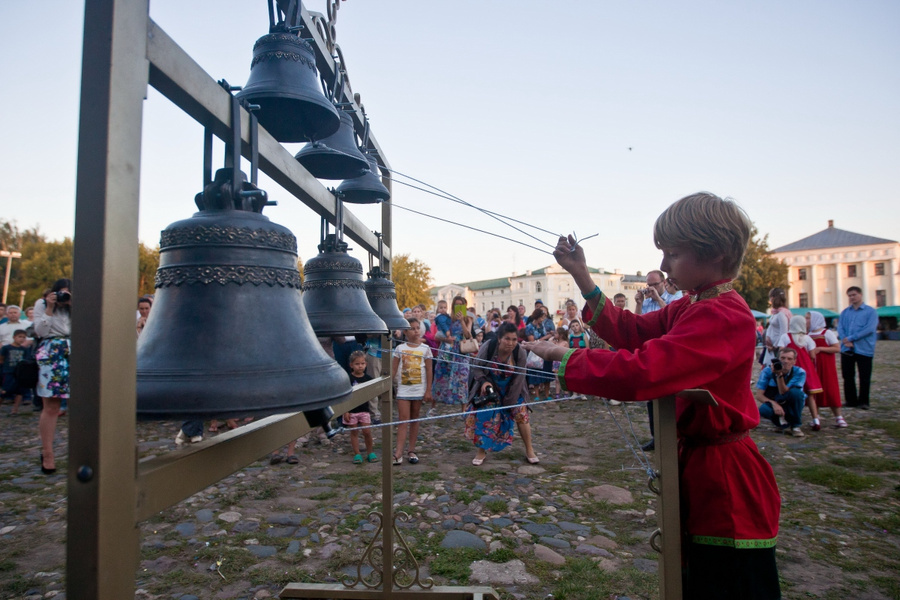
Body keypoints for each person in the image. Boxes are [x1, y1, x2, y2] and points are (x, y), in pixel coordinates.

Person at [522, 193, 781, 599]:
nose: (662, 266)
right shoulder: (693, 306)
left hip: (726, 481)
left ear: (715, 253)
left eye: (673, 254)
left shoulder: (723, 314)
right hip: (700, 465)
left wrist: (567, 357)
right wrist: (582, 275)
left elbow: (644, 370)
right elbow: (632, 331)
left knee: (728, 585)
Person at [466, 322, 539, 465]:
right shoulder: (488, 347)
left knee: (521, 413)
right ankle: (481, 451)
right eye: (507, 339)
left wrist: (510, 401)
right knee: (484, 414)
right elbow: (477, 367)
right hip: (490, 387)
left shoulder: (520, 352)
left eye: (514, 339)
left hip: (513, 389)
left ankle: (529, 449)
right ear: (499, 338)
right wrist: (483, 382)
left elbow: (520, 378)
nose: (510, 343)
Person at [33, 278, 72, 475]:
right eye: (61, 293)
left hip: (75, 350)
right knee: (51, 406)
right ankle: (47, 453)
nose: (64, 296)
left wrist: (74, 305)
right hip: (51, 352)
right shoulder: (42, 304)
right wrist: (50, 307)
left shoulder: (76, 306)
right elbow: (40, 331)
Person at [392, 318, 433, 465]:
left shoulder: (425, 349)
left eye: (417, 328)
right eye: (412, 328)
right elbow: (394, 369)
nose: (415, 331)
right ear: (405, 331)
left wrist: (428, 390)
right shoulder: (400, 349)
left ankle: (411, 450)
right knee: (403, 420)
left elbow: (429, 370)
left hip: (418, 389)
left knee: (415, 419)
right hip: (404, 389)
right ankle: (398, 452)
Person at [776, 315, 823, 430]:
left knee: (791, 394)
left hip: (792, 368)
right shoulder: (807, 339)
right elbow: (812, 355)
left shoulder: (785, 337)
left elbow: (781, 351)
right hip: (807, 367)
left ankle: (791, 418)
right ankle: (815, 419)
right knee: (810, 396)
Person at [837, 286, 878, 409]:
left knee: (864, 376)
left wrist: (851, 338)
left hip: (864, 348)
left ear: (860, 295)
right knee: (848, 376)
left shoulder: (870, 312)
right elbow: (840, 327)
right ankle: (851, 400)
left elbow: (869, 329)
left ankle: (864, 401)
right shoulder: (845, 312)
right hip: (847, 349)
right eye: (849, 295)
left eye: (854, 295)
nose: (851, 297)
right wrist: (845, 339)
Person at [755, 347, 807, 438]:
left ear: (794, 361)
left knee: (796, 393)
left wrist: (779, 375)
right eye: (782, 358)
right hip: (774, 400)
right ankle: (781, 423)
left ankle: (795, 425)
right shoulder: (767, 371)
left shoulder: (799, 372)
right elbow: (759, 395)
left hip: (791, 400)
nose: (785, 361)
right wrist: (774, 404)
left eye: (789, 359)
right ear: (777, 359)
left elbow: (783, 392)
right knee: (763, 410)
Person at [807, 311, 846, 427]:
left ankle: (838, 416)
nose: (806, 320)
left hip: (826, 366)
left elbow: (837, 348)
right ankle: (815, 416)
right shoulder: (807, 335)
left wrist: (821, 349)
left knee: (830, 388)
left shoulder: (826, 333)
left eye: (808, 318)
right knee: (814, 390)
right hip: (813, 367)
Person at [432, 295, 473, 405]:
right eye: (456, 305)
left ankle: (463, 407)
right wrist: (447, 339)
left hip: (461, 351)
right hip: (448, 349)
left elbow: (468, 335)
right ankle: (435, 404)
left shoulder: (468, 319)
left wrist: (462, 321)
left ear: (465, 306)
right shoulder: (448, 318)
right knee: (442, 375)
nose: (459, 307)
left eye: (461, 305)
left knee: (462, 377)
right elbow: (436, 335)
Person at [344, 350, 377, 464]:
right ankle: (357, 453)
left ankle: (370, 452)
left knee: (367, 431)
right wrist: (346, 410)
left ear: (366, 364)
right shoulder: (348, 379)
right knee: (354, 432)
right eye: (357, 364)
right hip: (352, 410)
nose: (360, 366)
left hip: (364, 409)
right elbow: (345, 396)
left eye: (362, 363)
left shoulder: (368, 379)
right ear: (351, 365)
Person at [1, 330, 33, 415]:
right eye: (19, 337)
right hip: (9, 371)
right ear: (14, 337)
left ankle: (15, 409)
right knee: (5, 390)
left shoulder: (25, 350)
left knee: (20, 391)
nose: (21, 339)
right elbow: (2, 359)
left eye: (23, 337)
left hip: (20, 373)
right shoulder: (6, 348)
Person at [525, 308, 554, 401]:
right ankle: (537, 394)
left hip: (545, 350)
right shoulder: (529, 327)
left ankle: (546, 394)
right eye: (541, 317)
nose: (542, 319)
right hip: (536, 353)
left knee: (547, 374)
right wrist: (545, 337)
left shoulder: (543, 326)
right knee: (536, 374)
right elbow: (532, 341)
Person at [763, 288, 791, 366]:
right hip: (771, 345)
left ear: (773, 298)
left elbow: (783, 332)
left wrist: (775, 346)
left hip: (777, 346)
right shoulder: (776, 312)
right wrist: (768, 336)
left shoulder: (782, 314)